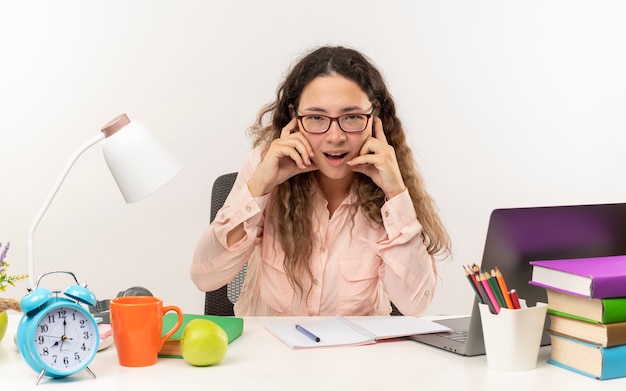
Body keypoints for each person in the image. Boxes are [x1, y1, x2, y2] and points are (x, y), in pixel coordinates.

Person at [191, 45, 451, 317]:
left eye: (351, 117)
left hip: (355, 355)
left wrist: (396, 193)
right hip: (269, 352)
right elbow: (204, 278)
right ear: (294, 117)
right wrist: (260, 187)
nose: (335, 136)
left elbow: (415, 304)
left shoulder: (388, 180)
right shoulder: (262, 163)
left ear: (375, 117)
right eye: (316, 118)